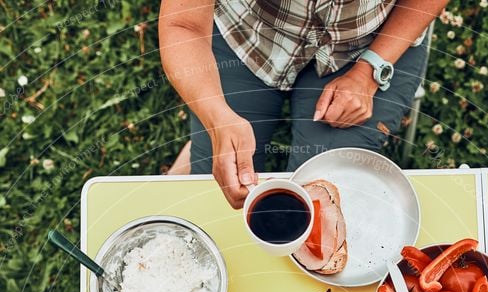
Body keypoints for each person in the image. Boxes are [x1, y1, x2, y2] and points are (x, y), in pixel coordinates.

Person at [159, 1, 447, 207]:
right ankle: (204, 140)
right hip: (249, 36)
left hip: (367, 42)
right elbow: (183, 23)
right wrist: (216, 115)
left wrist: (370, 71)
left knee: (321, 200)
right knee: (215, 199)